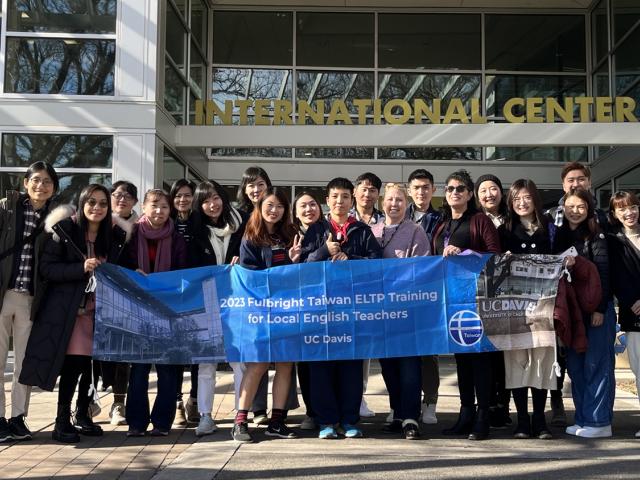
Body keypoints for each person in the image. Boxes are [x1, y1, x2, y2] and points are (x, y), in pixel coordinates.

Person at [20, 184, 130, 443]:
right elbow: (47, 269)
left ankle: (83, 415)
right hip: (71, 311)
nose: (97, 208)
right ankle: (61, 421)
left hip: (101, 312)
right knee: (73, 366)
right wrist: (79, 268)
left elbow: (120, 268)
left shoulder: (114, 235)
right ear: (81, 203)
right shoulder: (64, 230)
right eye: (91, 202)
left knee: (92, 365)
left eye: (103, 203)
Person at [301, 177, 383, 439]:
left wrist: (351, 259)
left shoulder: (362, 230)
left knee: (350, 368)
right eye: (335, 196)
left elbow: (377, 264)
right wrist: (324, 250)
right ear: (328, 200)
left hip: (353, 311)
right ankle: (326, 421)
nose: (340, 201)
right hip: (320, 311)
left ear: (352, 199)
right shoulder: (315, 230)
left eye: (345, 196)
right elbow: (302, 266)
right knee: (321, 367)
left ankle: (349, 420)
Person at [434, 169, 500, 441]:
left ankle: (483, 415)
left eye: (460, 188)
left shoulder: (480, 220)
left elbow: (494, 254)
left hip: (476, 299)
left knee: (480, 358)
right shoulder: (442, 224)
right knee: (461, 359)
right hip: (451, 300)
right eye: (450, 189)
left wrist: (465, 253)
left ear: (470, 194)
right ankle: (465, 413)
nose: (454, 193)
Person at [232, 187, 302, 443]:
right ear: (260, 208)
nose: (274, 211)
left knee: (285, 364)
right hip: (260, 313)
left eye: (280, 206)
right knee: (258, 365)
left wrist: (293, 261)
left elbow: (295, 276)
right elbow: (249, 276)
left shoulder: (290, 235)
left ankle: (277, 421)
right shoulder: (250, 237)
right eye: (270, 205)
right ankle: (240, 421)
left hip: (288, 311)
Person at [0, 162, 58, 443]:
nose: (41, 186)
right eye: (36, 180)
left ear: (53, 188)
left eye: (47, 181)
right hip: (2, 295)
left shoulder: (56, 219)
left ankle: (18, 417)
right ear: (25, 183)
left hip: (31, 300)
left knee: (24, 363)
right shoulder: (6, 208)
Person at [125, 189, 187, 437]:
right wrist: (133, 273)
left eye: (164, 206)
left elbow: (184, 271)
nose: (159, 211)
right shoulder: (130, 234)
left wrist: (165, 283)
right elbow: (122, 266)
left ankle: (162, 423)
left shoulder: (178, 239)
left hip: (167, 310)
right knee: (139, 370)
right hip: (137, 311)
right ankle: (136, 423)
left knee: (166, 369)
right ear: (143, 207)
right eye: (154, 205)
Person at [553, 187, 614, 438]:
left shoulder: (597, 236)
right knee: (576, 366)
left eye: (581, 206)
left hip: (596, 310)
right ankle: (582, 418)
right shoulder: (560, 235)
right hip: (573, 311)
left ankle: (600, 423)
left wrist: (600, 308)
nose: (575, 211)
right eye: (570, 206)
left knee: (596, 364)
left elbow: (604, 273)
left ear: (589, 209)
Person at [371, 183, 430, 439]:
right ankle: (396, 411)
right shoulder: (372, 230)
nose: (394, 204)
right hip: (379, 311)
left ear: (406, 203)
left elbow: (422, 268)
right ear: (382, 202)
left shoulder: (416, 231)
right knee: (388, 365)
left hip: (408, 310)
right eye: (390, 199)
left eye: (399, 200)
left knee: (408, 365)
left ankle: (410, 417)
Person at [499, 179, 554, 440]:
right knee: (517, 362)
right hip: (514, 307)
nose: (522, 202)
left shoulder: (550, 228)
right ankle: (522, 421)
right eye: (516, 198)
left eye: (527, 197)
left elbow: (564, 256)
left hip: (544, 305)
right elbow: (493, 268)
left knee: (541, 361)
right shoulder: (505, 230)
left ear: (535, 199)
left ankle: (540, 420)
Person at [190, 181, 246, 437]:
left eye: (215, 198)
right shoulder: (194, 229)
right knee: (206, 364)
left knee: (239, 362)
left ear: (223, 198)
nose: (212, 204)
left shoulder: (242, 224)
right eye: (205, 200)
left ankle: (240, 416)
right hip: (205, 303)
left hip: (236, 305)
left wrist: (243, 263)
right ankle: (205, 416)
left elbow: (254, 255)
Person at [232, 166, 275, 425]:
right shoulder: (238, 217)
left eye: (260, 184)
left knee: (279, 358)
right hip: (246, 294)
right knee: (254, 355)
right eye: (250, 185)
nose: (255, 189)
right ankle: (254, 409)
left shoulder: (276, 213)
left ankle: (277, 409)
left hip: (276, 297)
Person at [97, 180, 139, 427]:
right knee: (96, 350)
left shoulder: (140, 227)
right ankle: (89, 399)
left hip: (127, 297)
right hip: (97, 295)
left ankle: (118, 402)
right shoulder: (98, 222)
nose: (121, 199)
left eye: (127, 196)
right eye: (117, 195)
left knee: (123, 350)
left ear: (134, 201)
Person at [474, 174, 511, 429]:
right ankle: (485, 405)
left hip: (508, 295)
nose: (489, 194)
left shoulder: (511, 221)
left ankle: (503, 406)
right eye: (483, 190)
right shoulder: (474, 221)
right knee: (485, 354)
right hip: (481, 295)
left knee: (504, 354)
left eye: (493, 189)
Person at [406, 168, 441, 426]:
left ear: (433, 190)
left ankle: (429, 402)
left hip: (430, 292)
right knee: (403, 351)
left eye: (426, 187)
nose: (421, 191)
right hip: (402, 294)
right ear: (409, 191)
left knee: (429, 353)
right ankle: (404, 402)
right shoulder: (396, 215)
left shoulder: (442, 220)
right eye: (416, 187)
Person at [351, 172, 384, 418]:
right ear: (354, 191)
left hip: (374, 293)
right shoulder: (342, 218)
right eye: (363, 188)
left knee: (366, 352)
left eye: (372, 190)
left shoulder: (385, 220)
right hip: (345, 294)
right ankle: (351, 397)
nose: (367, 194)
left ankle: (360, 397)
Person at [608, 190, 640, 438]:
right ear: (615, 214)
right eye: (622, 209)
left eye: (633, 207)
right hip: (634, 313)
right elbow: (617, 278)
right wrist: (632, 301)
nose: (629, 212)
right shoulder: (614, 242)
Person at [169, 179, 199, 425]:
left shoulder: (200, 222)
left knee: (200, 350)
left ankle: (195, 401)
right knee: (178, 351)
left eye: (187, 195)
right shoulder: (166, 223)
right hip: (172, 295)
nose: (183, 200)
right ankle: (177, 401)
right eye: (178, 195)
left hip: (198, 292)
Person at [292, 191, 322, 431]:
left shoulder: (329, 231)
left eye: (313, 204)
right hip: (297, 308)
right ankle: (311, 411)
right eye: (303, 206)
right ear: (295, 211)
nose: (308, 209)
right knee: (304, 363)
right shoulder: (288, 234)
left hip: (325, 307)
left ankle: (327, 411)